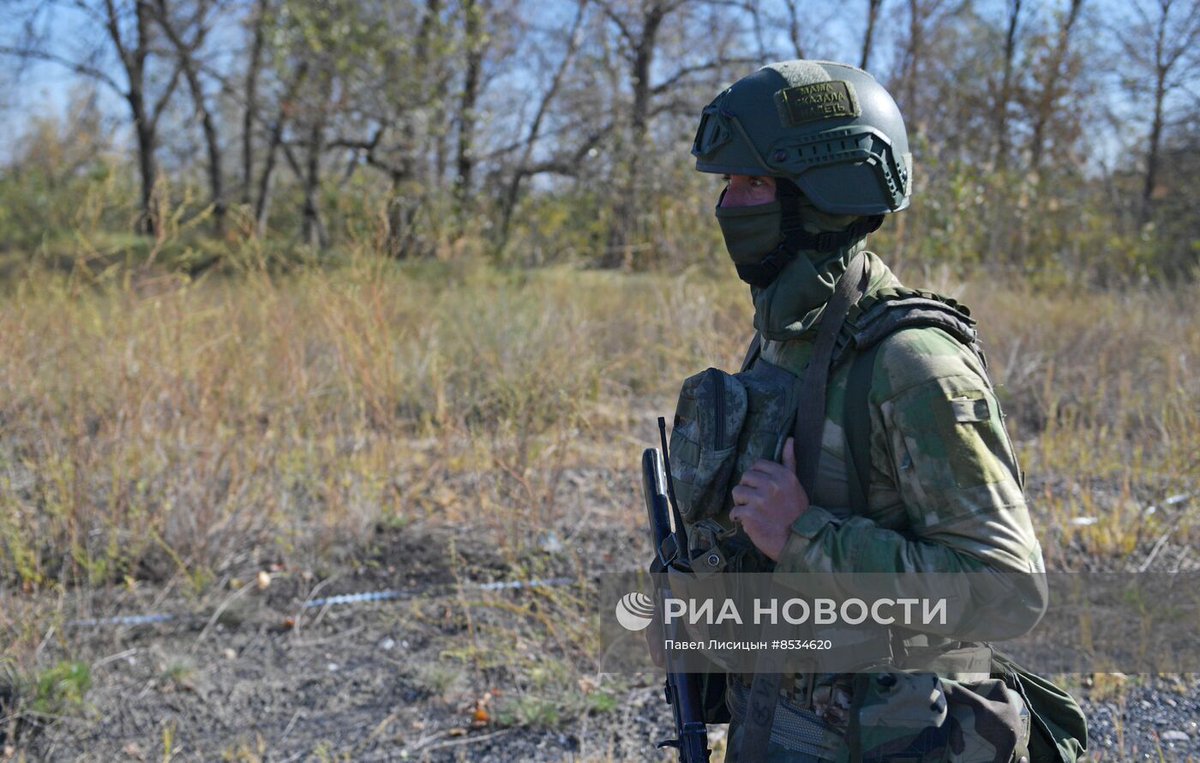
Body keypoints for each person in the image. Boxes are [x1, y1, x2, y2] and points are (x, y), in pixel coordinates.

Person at [661, 60, 1083, 762]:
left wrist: (807, 536)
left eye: (755, 182)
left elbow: (1009, 590)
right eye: (729, 183)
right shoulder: (780, 342)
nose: (730, 206)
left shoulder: (912, 364)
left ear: (825, 195)